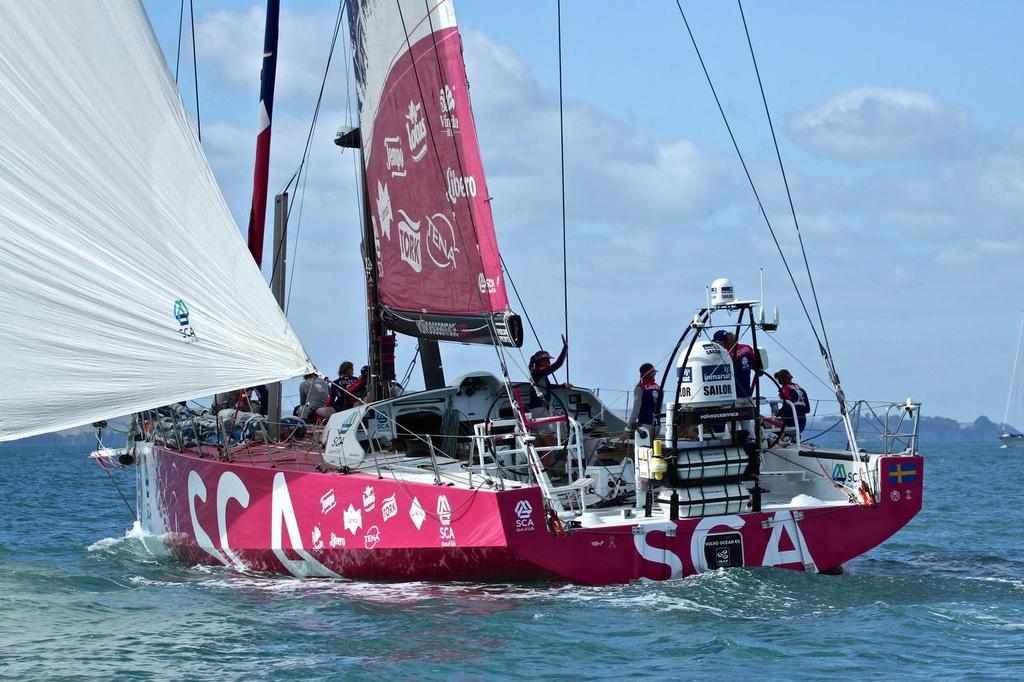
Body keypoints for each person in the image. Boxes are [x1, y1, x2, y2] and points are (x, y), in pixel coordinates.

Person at [712, 330, 757, 399]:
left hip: (733, 396)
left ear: (722, 342)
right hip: (747, 393)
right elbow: (757, 368)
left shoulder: (727, 355)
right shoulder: (748, 348)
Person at [624, 363, 661, 438]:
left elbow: (635, 412)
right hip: (658, 427)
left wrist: (627, 430)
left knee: (641, 449)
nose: (654, 377)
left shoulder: (639, 389)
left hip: (645, 428)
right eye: (654, 375)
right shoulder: (659, 388)